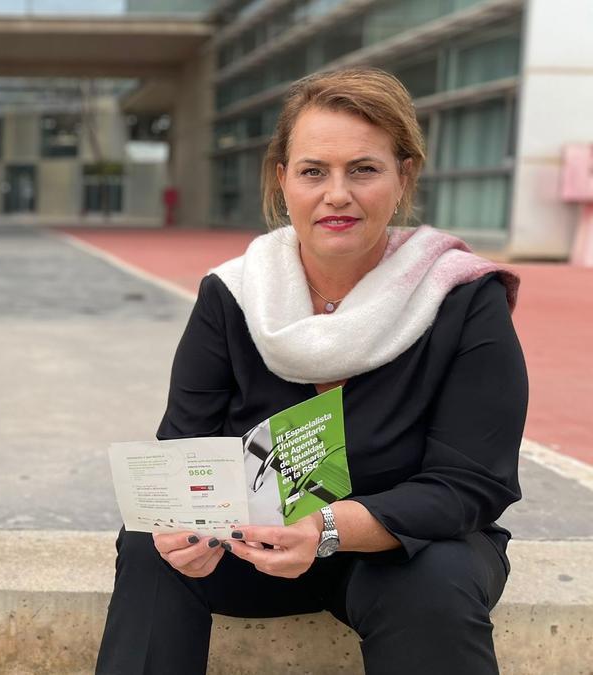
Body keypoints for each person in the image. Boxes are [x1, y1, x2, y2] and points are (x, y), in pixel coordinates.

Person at [96, 68, 526, 674]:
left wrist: (328, 527)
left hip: (398, 550)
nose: (338, 194)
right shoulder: (233, 294)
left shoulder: (460, 298)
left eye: (365, 169)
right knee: (148, 548)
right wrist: (184, 528)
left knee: (440, 574)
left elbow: (473, 483)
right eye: (314, 170)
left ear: (404, 176)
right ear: (283, 180)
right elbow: (185, 448)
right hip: (253, 551)